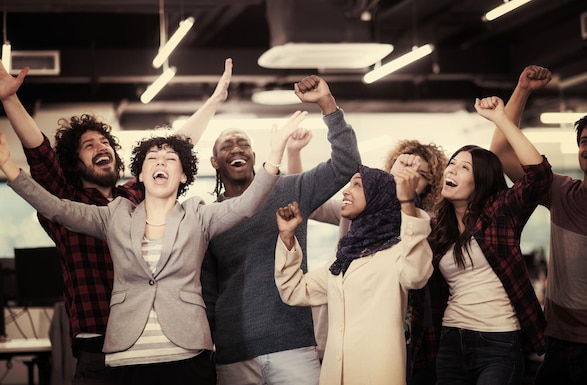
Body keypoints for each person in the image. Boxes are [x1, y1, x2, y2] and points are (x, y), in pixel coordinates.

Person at [0, 109, 307, 385]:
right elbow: (56, 208)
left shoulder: (198, 214)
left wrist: (276, 154)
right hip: (126, 357)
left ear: (184, 174)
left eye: (170, 159)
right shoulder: (114, 216)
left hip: (187, 355)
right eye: (153, 160)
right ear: (141, 175)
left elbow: (248, 205)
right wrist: (10, 170)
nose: (161, 162)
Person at [0, 57, 233, 384]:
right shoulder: (67, 201)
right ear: (73, 161)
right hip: (99, 348)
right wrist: (9, 99)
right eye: (88, 145)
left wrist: (214, 102)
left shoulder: (135, 197)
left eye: (105, 142)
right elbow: (39, 153)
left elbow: (177, 149)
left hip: (156, 344)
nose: (101, 147)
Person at [201, 74, 361, 385]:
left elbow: (345, 163)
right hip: (234, 352)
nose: (237, 148)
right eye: (227, 145)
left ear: (254, 156)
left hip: (293, 345)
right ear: (215, 161)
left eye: (243, 143)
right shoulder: (210, 217)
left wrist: (326, 104)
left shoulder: (289, 189)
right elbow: (208, 292)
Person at [490, 65, 587, 385]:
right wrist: (522, 90)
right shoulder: (560, 191)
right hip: (559, 344)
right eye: (585, 141)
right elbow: (499, 152)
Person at [286, 134, 447, 384]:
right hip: (347, 346)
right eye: (401, 168)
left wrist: (403, 198)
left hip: (413, 336)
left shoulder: (426, 223)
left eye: (421, 174)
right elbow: (309, 203)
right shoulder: (350, 242)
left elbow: (415, 268)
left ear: (432, 183)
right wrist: (294, 154)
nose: (408, 176)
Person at [428, 95, 553, 384]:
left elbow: (539, 176)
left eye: (464, 168)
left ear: (481, 180)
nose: (451, 170)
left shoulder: (500, 214)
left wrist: (500, 119)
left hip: (499, 340)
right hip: (452, 339)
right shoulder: (437, 227)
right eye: (452, 164)